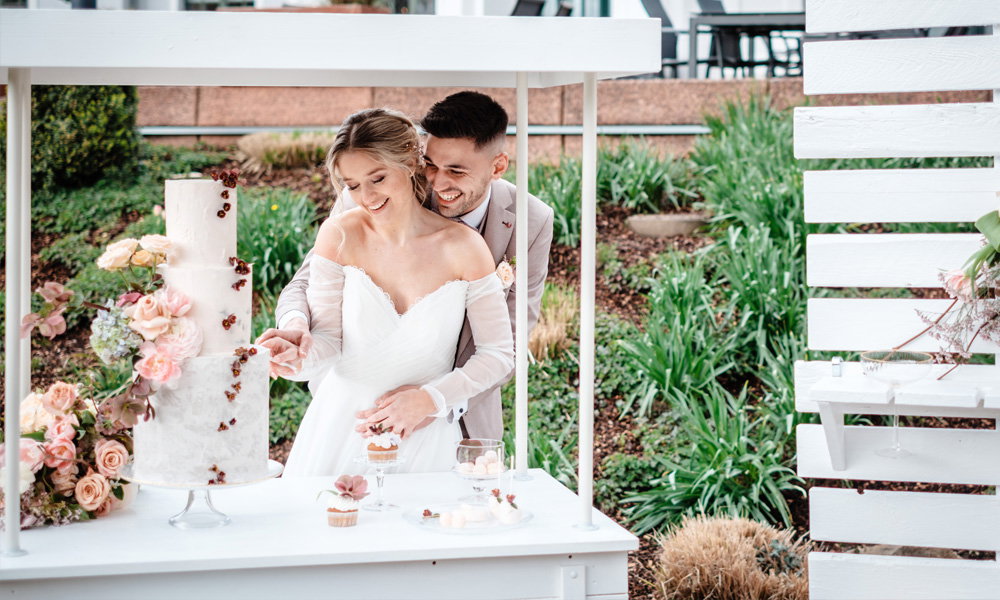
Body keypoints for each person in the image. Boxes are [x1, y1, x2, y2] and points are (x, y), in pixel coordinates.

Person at [258, 91, 554, 442]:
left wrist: (433, 401)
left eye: (456, 171)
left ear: (498, 167)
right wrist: (296, 330)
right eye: (430, 165)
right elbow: (306, 285)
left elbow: (509, 343)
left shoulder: (530, 221)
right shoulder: (371, 197)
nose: (437, 183)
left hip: (456, 421)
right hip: (352, 415)